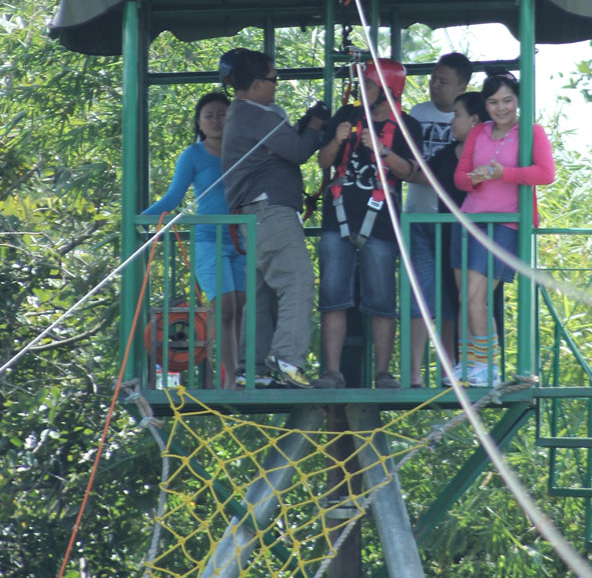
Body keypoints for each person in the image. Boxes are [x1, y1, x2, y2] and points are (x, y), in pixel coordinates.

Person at [219, 48, 328, 389]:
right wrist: (315, 126)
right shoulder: (257, 115)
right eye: (272, 80)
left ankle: (251, 368)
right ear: (254, 85)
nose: (276, 86)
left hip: (252, 219)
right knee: (298, 282)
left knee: (261, 295)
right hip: (271, 213)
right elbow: (296, 151)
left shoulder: (244, 114)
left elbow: (281, 146)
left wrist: (304, 126)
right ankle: (286, 358)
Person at [314, 58, 424, 390]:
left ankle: (383, 373)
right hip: (339, 219)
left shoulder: (407, 126)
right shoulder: (346, 117)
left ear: (389, 89)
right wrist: (336, 140)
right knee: (333, 295)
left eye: (371, 86)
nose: (363, 91)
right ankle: (331, 372)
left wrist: (383, 151)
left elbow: (411, 172)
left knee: (382, 299)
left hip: (381, 224)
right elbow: (322, 162)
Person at [453, 73, 555, 385]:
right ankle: (472, 362)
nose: (501, 108)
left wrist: (504, 173)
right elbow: (458, 178)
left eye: (507, 100)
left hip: (504, 224)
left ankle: (487, 366)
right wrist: (475, 177)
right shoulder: (478, 132)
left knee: (474, 298)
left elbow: (545, 173)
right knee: (467, 300)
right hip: (469, 221)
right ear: (485, 105)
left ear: (518, 101)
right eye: (494, 102)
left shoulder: (531, 132)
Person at [140, 91, 246, 386]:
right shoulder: (193, 155)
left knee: (241, 310)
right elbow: (174, 197)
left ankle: (239, 374)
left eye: (222, 113)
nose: (215, 120)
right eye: (208, 115)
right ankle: (228, 381)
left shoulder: (243, 150)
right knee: (224, 309)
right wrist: (141, 219)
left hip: (242, 239)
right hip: (209, 241)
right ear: (199, 122)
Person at [403, 52, 472, 385]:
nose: (434, 85)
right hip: (416, 216)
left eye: (443, 81)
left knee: (450, 296)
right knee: (420, 293)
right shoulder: (417, 114)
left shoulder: (472, 125)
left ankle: (449, 371)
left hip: (452, 220)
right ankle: (414, 373)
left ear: (462, 86)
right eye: (432, 78)